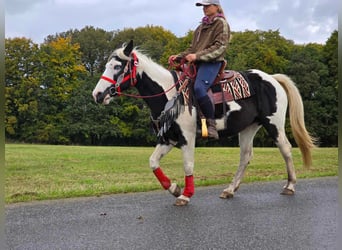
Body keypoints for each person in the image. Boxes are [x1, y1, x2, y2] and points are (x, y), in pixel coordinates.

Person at [169, 0, 230, 139]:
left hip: (212, 62)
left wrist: (197, 56)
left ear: (216, 6)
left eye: (207, 5)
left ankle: (212, 124)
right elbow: (192, 49)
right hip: (198, 63)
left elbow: (220, 47)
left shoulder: (221, 24)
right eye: (203, 6)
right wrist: (178, 57)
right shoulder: (200, 27)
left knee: (199, 88)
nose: (204, 8)